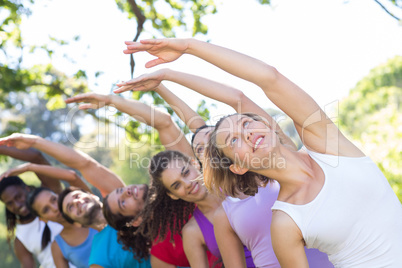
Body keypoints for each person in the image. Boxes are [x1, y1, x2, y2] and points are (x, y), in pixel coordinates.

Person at [122, 37, 402, 267]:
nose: (245, 133)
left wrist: (187, 49)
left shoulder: (326, 144)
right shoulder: (285, 221)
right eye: (233, 141)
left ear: (265, 124)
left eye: (246, 122)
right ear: (238, 166)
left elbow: (268, 79)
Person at [64, 92, 193, 268]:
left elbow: (165, 123)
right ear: (135, 221)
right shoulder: (162, 254)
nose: (126, 192)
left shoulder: (183, 186)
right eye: (123, 203)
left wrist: (113, 101)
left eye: (120, 191)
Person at [0, 133, 151, 268]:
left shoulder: (119, 203)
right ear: (77, 223)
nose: (77, 202)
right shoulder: (97, 258)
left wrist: (34, 149)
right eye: (70, 208)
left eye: (77, 196)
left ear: (92, 195)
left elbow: (83, 165)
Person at [3, 161, 96, 268]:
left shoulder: (88, 213)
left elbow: (73, 176)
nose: (55, 208)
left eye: (53, 200)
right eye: (46, 210)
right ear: (42, 218)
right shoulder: (58, 247)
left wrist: (29, 167)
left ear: (58, 195)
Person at [0, 146, 65, 268]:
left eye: (18, 196)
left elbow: (36, 157)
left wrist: (1, 148)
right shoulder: (20, 239)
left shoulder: (51, 197)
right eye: (10, 203)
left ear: (27, 188)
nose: (17, 205)